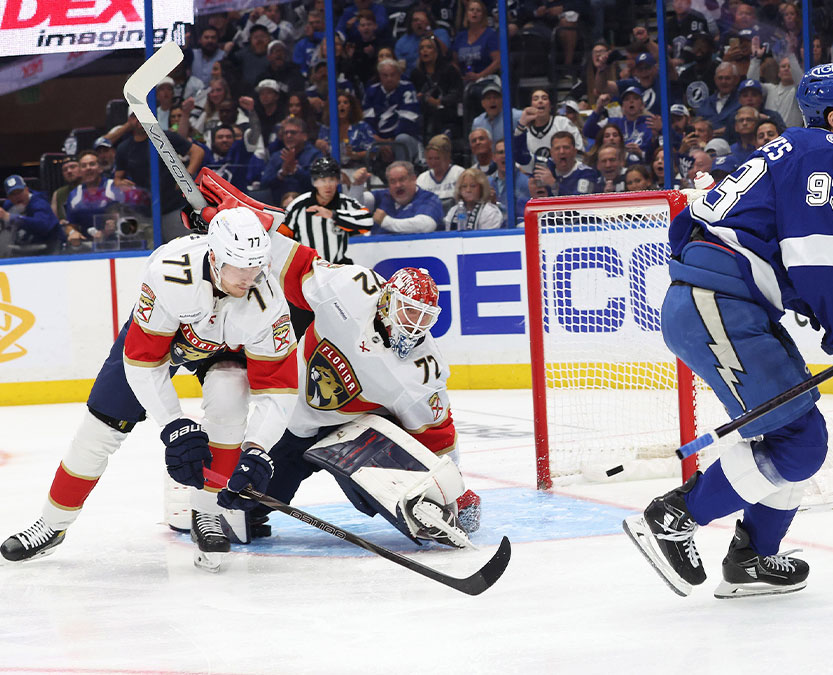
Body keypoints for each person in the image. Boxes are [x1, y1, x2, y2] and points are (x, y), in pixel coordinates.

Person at [623, 63, 833, 599]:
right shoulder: (830, 155)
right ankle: (674, 517)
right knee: (798, 442)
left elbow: (768, 249)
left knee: (798, 437)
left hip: (725, 303)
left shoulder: (787, 149)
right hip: (720, 305)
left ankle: (753, 558)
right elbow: (812, 259)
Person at [1, 197, 299, 570]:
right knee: (99, 429)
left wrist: (257, 449)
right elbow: (144, 360)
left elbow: (279, 389)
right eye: (239, 267)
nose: (248, 277)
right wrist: (174, 425)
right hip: (164, 340)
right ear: (215, 258)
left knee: (229, 394)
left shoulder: (268, 301)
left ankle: (205, 514)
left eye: (256, 267)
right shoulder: (170, 273)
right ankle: (52, 524)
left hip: (225, 349)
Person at [250, 262, 481, 547]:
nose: (415, 325)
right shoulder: (350, 287)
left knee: (397, 490)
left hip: (353, 433)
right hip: (293, 418)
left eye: (425, 317)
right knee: (251, 504)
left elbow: (438, 434)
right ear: (387, 299)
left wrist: (454, 492)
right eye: (409, 310)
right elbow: (295, 266)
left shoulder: (422, 371)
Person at [284, 157, 372, 263]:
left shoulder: (345, 202)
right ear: (314, 182)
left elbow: (367, 222)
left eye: (331, 180)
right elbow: (282, 234)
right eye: (322, 180)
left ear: (337, 181)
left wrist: (334, 215)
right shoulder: (298, 205)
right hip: (307, 269)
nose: (327, 185)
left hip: (337, 268)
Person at [368, 160, 444, 234]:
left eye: (402, 179)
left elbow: (426, 225)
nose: (398, 185)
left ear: (413, 179)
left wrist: (386, 222)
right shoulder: (383, 196)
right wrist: (357, 186)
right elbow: (359, 203)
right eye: (393, 181)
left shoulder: (429, 198)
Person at [261, 117, 322, 204]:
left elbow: (318, 183)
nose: (288, 136)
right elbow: (264, 183)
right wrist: (282, 173)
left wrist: (295, 171)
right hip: (279, 206)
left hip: (308, 206)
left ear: (305, 136)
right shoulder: (277, 156)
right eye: (286, 133)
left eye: (293, 133)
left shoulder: (315, 155)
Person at [0, 175, 62, 255]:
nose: (17, 196)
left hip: (50, 249)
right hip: (22, 248)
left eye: (20, 191)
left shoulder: (40, 203)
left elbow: (42, 225)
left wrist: (11, 218)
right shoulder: (8, 205)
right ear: (8, 197)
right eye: (13, 194)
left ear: (26, 190)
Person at [536, 131, 602, 196]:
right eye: (557, 148)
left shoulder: (587, 173)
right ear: (551, 153)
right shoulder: (548, 167)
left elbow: (579, 200)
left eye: (566, 147)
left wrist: (553, 184)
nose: (562, 152)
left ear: (574, 151)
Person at [416, 135, 466, 206]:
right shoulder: (422, 179)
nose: (433, 162)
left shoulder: (459, 173)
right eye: (430, 158)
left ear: (447, 157)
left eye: (437, 158)